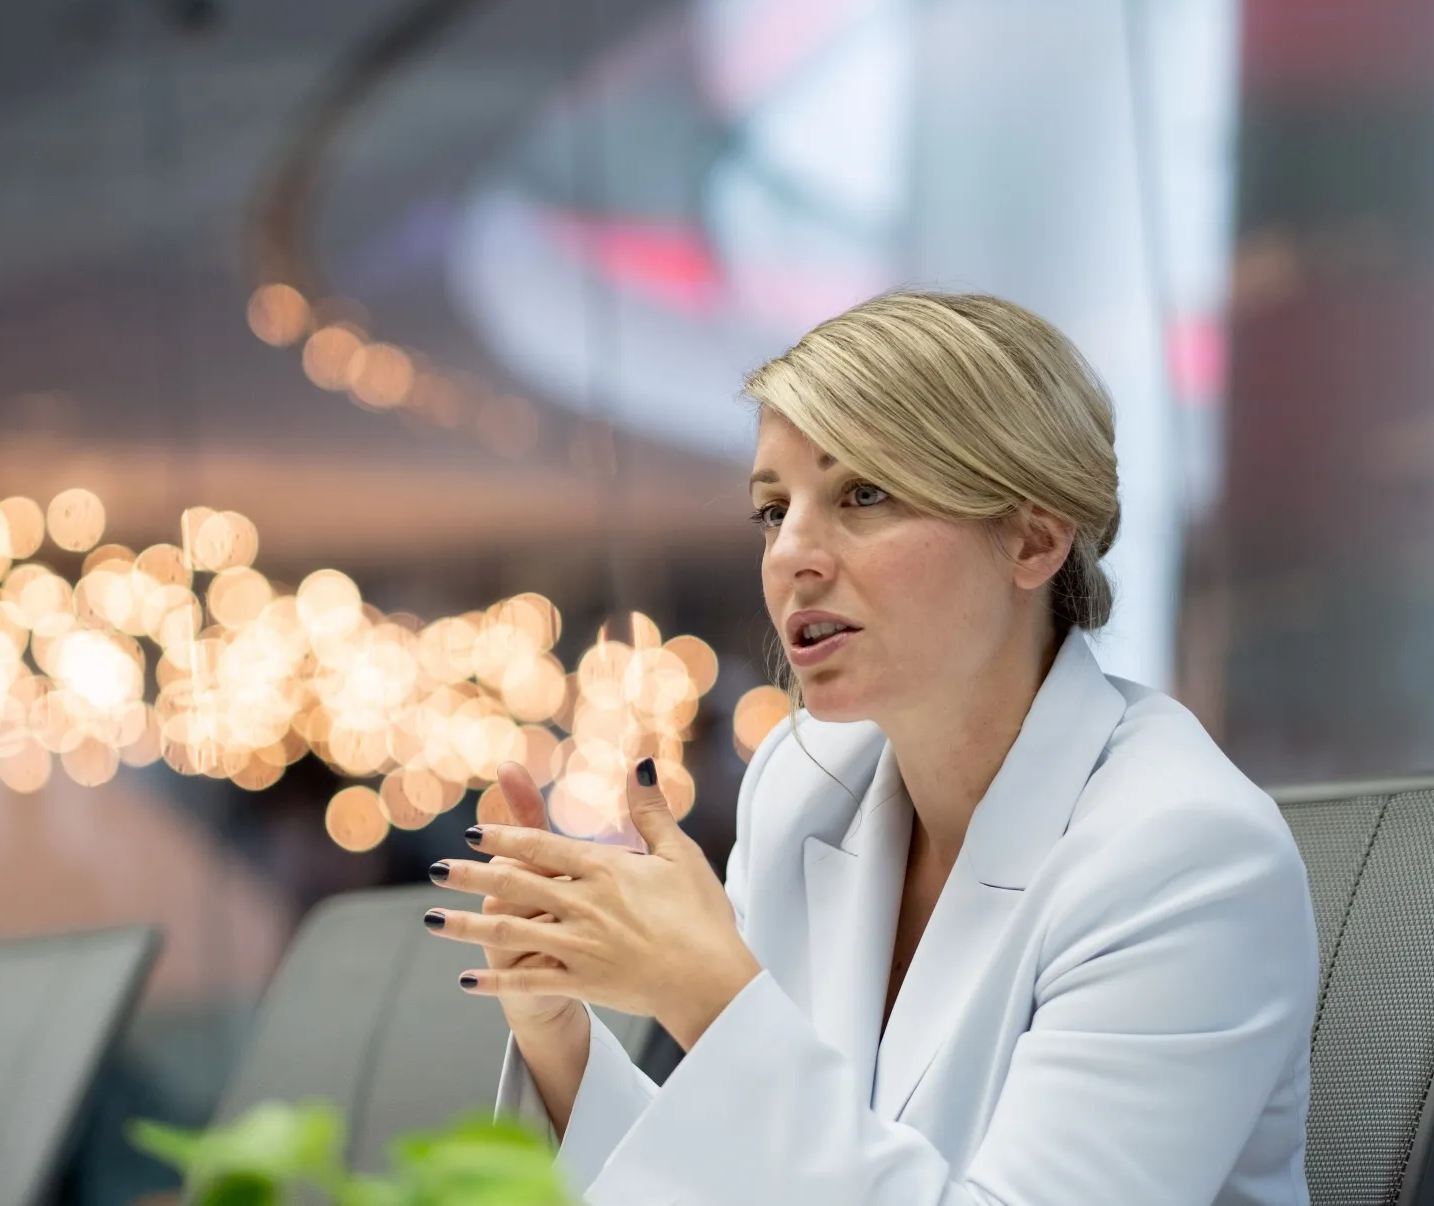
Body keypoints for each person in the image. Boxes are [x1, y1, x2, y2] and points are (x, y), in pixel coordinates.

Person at [422, 291, 1317, 1204]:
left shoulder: (1187, 854)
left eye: (864, 494)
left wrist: (711, 998)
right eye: (773, 511)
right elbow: (757, 1181)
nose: (791, 557)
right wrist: (557, 1033)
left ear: (1034, 538)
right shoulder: (804, 781)